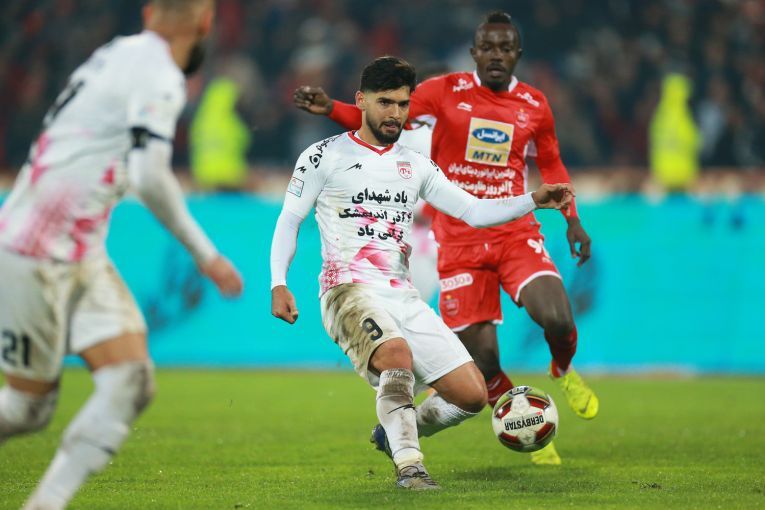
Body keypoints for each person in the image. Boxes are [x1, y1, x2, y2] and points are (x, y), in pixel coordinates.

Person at [293, 10, 598, 466]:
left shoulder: (534, 104)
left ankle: (563, 368)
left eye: (505, 47)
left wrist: (571, 217)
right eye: (487, 47)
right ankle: (524, 422)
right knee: (483, 361)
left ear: (517, 53)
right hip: (457, 242)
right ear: (474, 52)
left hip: (513, 232)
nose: (496, 55)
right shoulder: (444, 91)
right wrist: (333, 109)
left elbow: (551, 163)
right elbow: (384, 112)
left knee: (556, 316)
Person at [0, 1, 243, 508]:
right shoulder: (161, 75)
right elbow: (150, 176)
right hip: (36, 249)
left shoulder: (115, 52)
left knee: (130, 380)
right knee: (25, 409)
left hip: (76, 247)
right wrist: (207, 256)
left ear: (150, 13)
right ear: (205, 22)